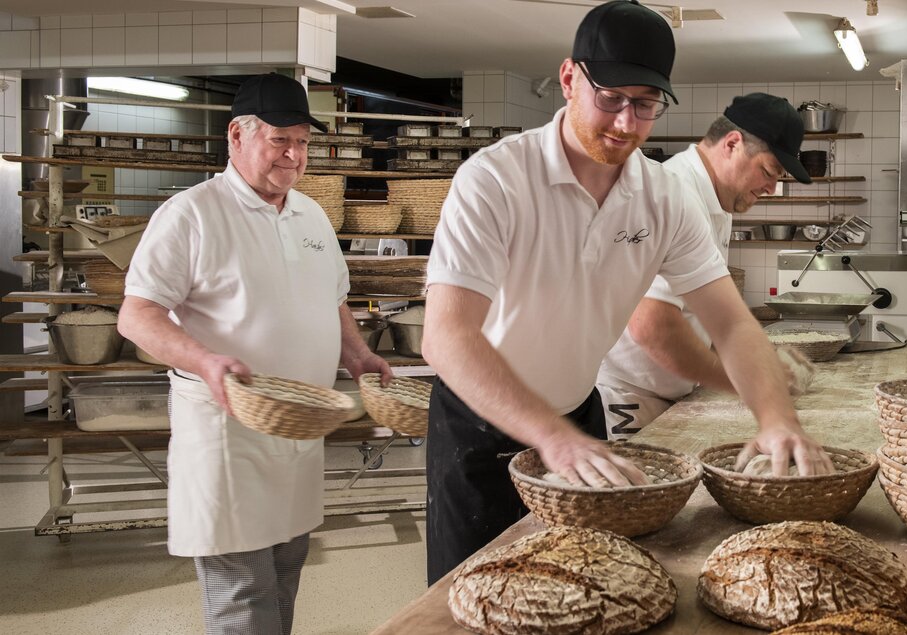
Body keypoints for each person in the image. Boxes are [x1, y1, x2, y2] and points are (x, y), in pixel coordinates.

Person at [422, 0, 833, 585]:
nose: (624, 123)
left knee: (580, 590)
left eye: (645, 106)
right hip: (480, 428)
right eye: (609, 98)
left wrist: (775, 417)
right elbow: (446, 336)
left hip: (578, 416)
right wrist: (553, 439)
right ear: (569, 78)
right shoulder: (496, 181)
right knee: (472, 600)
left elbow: (732, 324)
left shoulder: (661, 196)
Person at [117, 73, 393, 634]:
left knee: (287, 571)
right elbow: (137, 315)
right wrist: (205, 360)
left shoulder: (311, 216)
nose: (294, 155)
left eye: (303, 142)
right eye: (279, 140)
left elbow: (331, 298)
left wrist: (357, 354)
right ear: (237, 136)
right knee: (242, 593)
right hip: (227, 432)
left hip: (296, 426)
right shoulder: (192, 214)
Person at [597, 93, 815, 437]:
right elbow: (653, 327)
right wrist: (750, 382)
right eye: (770, 171)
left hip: (670, 391)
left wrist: (759, 358)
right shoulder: (671, 196)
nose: (773, 188)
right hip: (626, 396)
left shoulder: (718, 201)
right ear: (732, 144)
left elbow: (709, 315)